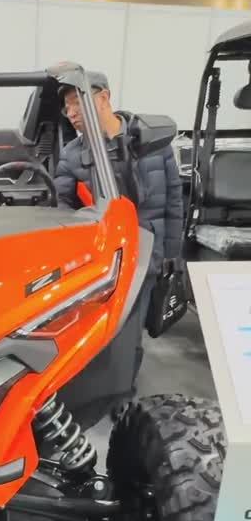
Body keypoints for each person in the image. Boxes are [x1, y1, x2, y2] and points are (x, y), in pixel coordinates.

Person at [54, 70, 183, 383]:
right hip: (102, 260)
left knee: (133, 331)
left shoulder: (153, 142)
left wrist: (173, 255)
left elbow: (174, 200)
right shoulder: (72, 155)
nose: (71, 113)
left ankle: (126, 388)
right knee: (103, 330)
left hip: (148, 253)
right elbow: (61, 208)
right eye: (67, 107)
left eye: (76, 103)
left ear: (103, 98)